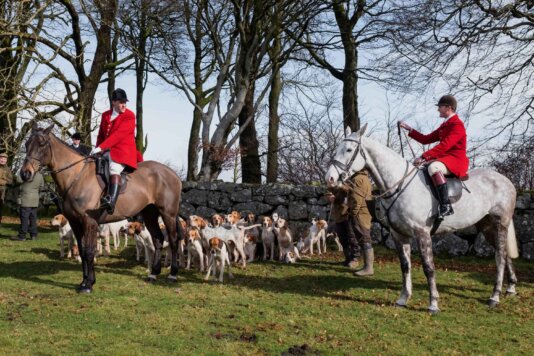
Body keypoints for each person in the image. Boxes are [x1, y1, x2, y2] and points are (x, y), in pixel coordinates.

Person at [399, 94, 469, 220]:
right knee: (423, 169)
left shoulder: (457, 125)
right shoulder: (445, 125)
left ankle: (446, 206)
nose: (438, 109)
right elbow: (426, 139)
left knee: (433, 167)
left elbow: (445, 145)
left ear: (448, 108)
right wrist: (409, 129)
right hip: (446, 158)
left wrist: (424, 156)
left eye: (440, 107)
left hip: (456, 160)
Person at [91, 88, 138, 214]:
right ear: (114, 102)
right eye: (121, 102)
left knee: (114, 168)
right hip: (107, 149)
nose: (124, 105)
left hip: (123, 150)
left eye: (125, 102)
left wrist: (102, 147)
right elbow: (101, 134)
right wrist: (97, 149)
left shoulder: (130, 115)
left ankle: (111, 201)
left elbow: (119, 135)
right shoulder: (105, 115)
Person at [326, 169, 374, 275]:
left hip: (347, 212)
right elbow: (331, 193)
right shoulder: (340, 180)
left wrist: (338, 190)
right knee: (343, 238)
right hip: (338, 214)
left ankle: (355, 259)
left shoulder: (352, 180)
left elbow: (352, 196)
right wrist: (331, 191)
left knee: (353, 238)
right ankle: (348, 258)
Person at [10, 171, 44, 241]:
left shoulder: (25, 173)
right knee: (33, 218)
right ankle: (33, 235)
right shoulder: (40, 175)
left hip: (25, 198)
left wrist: (21, 171)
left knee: (24, 218)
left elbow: (18, 180)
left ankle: (22, 236)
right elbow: (41, 186)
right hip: (35, 198)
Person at [0, 153, 13, 225]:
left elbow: (10, 181)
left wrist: (3, 181)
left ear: (6, 160)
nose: (2, 160)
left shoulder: (8, 170)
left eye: (4, 159)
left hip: (2, 192)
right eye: (1, 158)